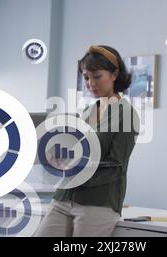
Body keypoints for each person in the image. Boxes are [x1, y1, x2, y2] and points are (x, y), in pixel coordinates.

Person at [35, 45, 139, 237]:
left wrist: (76, 174)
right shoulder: (86, 113)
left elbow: (116, 166)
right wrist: (57, 159)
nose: (91, 83)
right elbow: (74, 154)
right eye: (86, 77)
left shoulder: (126, 114)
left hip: (97, 203)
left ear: (114, 75)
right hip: (64, 198)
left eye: (97, 76)